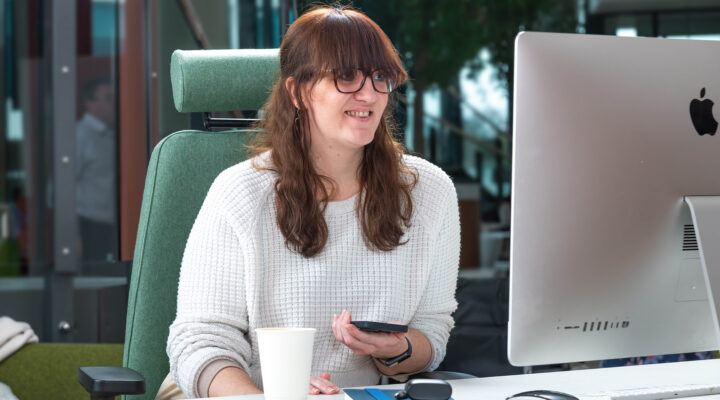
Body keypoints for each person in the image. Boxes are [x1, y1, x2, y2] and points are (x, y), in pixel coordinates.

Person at [166, 5, 460, 399]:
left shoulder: (428, 191)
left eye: (380, 77)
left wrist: (398, 349)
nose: (369, 94)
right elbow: (198, 342)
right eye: (346, 77)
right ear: (298, 91)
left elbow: (432, 334)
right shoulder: (239, 193)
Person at [75, 77, 117, 262]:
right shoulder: (79, 135)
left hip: (114, 226)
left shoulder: (114, 135)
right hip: (88, 227)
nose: (114, 103)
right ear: (90, 103)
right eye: (108, 98)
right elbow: (61, 188)